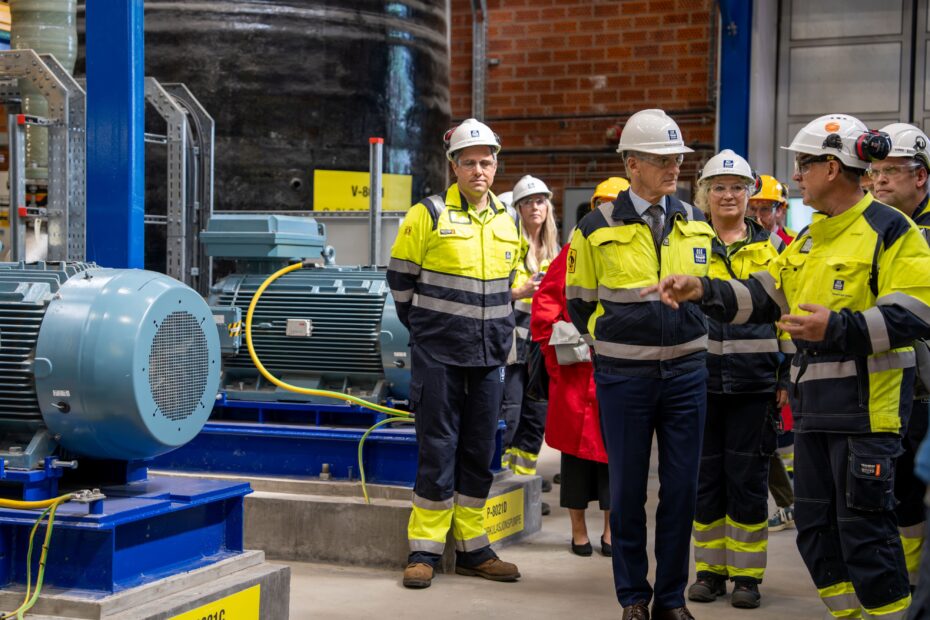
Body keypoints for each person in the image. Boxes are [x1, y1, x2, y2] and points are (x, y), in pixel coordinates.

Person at [649, 113, 930, 619]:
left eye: (803, 165)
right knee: (816, 532)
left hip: (867, 415)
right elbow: (762, 295)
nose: (796, 176)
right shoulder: (810, 238)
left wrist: (836, 328)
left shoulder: (892, 231)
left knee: (865, 534)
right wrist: (701, 289)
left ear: (831, 167)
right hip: (815, 413)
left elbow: (915, 313)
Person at [566, 108, 714, 620]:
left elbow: (712, 290)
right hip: (624, 378)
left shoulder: (695, 220)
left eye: (678, 159)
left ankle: (671, 599)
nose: (674, 167)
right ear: (632, 164)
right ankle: (633, 597)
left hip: (687, 376)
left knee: (681, 491)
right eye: (662, 159)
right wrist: (613, 345)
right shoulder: (594, 227)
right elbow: (579, 302)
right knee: (627, 492)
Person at [388, 118, 522, 589]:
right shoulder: (427, 214)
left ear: (496, 165)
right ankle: (424, 550)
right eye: (469, 162)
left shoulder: (508, 219)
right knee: (438, 448)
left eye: (486, 162)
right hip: (440, 354)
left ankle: (473, 549)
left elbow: (511, 279)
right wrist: (429, 331)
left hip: (490, 356)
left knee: (481, 450)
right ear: (454, 166)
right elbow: (400, 282)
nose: (479, 170)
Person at [686, 150, 786, 609]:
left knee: (747, 480)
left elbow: (787, 315)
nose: (728, 195)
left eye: (737, 188)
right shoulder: (689, 243)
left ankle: (747, 576)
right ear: (704, 195)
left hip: (755, 382)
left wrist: (785, 375)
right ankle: (710, 572)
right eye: (719, 188)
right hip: (699, 380)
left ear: (750, 195)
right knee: (705, 479)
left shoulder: (773, 249)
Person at [532, 176, 629, 558]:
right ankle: (578, 532)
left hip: (618, 373)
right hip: (576, 376)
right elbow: (545, 305)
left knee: (615, 459)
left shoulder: (637, 254)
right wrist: (562, 348)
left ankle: (610, 531)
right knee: (574, 462)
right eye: (602, 205)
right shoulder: (573, 252)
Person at [872, 122, 930, 588]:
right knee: (902, 489)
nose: (879, 180)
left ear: (921, 176)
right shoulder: (874, 228)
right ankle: (909, 582)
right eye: (874, 171)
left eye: (891, 171)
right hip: (896, 384)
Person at [501, 175, 561, 484]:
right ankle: (501, 481)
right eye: (527, 202)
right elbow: (490, 291)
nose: (535, 207)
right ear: (518, 209)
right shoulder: (509, 246)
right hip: (512, 341)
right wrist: (518, 292)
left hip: (542, 342)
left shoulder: (555, 250)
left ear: (548, 207)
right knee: (510, 411)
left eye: (540, 201)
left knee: (537, 414)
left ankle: (524, 485)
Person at [748, 174, 799, 532]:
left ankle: (793, 504)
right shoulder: (740, 245)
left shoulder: (793, 248)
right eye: (753, 209)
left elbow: (790, 311)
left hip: (781, 359)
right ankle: (790, 503)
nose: (759, 217)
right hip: (749, 360)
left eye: (765, 209)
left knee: (783, 441)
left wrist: (785, 372)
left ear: (781, 210)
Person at [747, 174, 794, 245]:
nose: (757, 216)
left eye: (764, 209)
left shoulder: (790, 245)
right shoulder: (740, 241)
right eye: (753, 209)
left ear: (778, 210)